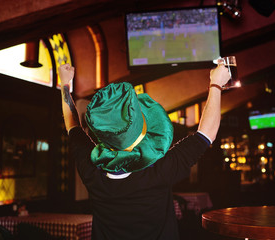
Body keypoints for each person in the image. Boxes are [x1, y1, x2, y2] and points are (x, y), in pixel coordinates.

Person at [59, 62, 230, 240]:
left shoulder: (91, 171)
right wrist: (216, 83)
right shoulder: (160, 170)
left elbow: (73, 126)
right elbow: (206, 133)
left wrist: (65, 84)